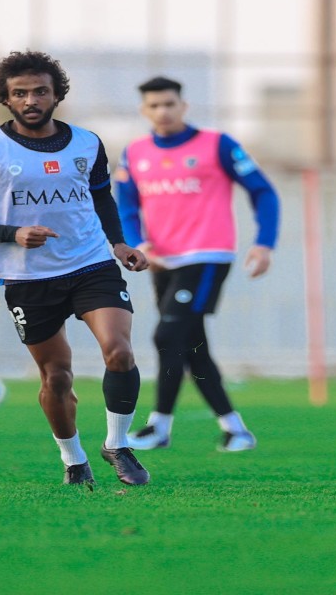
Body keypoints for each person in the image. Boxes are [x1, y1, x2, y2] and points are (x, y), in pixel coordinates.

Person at [0, 50, 152, 489]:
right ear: (5, 98)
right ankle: (74, 459)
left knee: (119, 352)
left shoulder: (87, 143)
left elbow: (101, 197)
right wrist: (13, 234)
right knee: (57, 376)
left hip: (90, 263)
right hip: (28, 278)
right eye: (20, 93)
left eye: (40, 91)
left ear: (57, 94)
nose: (31, 100)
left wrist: (119, 243)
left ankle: (117, 445)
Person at [114, 76, 279, 453]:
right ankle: (234, 429)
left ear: (183, 106)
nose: (163, 111)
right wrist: (140, 245)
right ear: (144, 110)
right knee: (191, 345)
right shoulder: (134, 153)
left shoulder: (218, 145)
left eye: (169, 103)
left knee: (167, 336)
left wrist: (264, 243)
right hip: (160, 262)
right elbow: (126, 205)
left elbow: (263, 191)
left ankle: (159, 426)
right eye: (154, 105)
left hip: (207, 258)